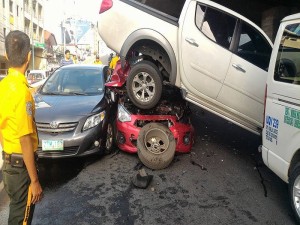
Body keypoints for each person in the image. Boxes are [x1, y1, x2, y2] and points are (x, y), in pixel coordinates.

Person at [0, 30, 43, 225]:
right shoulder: (22, 93)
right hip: (21, 169)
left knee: (15, 214)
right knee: (21, 220)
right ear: (28, 57)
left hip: (9, 165)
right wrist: (34, 181)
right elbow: (25, 138)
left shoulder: (3, 86)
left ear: (7, 56)